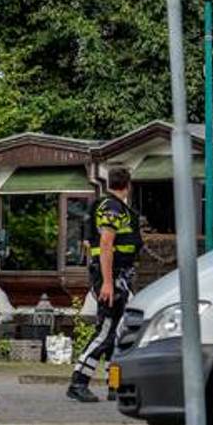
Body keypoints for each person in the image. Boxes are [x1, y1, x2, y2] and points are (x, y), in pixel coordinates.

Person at [67, 166, 143, 403]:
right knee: (106, 331)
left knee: (120, 331)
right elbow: (107, 245)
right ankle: (78, 381)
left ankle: (114, 384)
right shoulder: (112, 207)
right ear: (128, 185)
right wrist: (108, 283)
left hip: (120, 276)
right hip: (112, 277)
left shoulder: (113, 207)